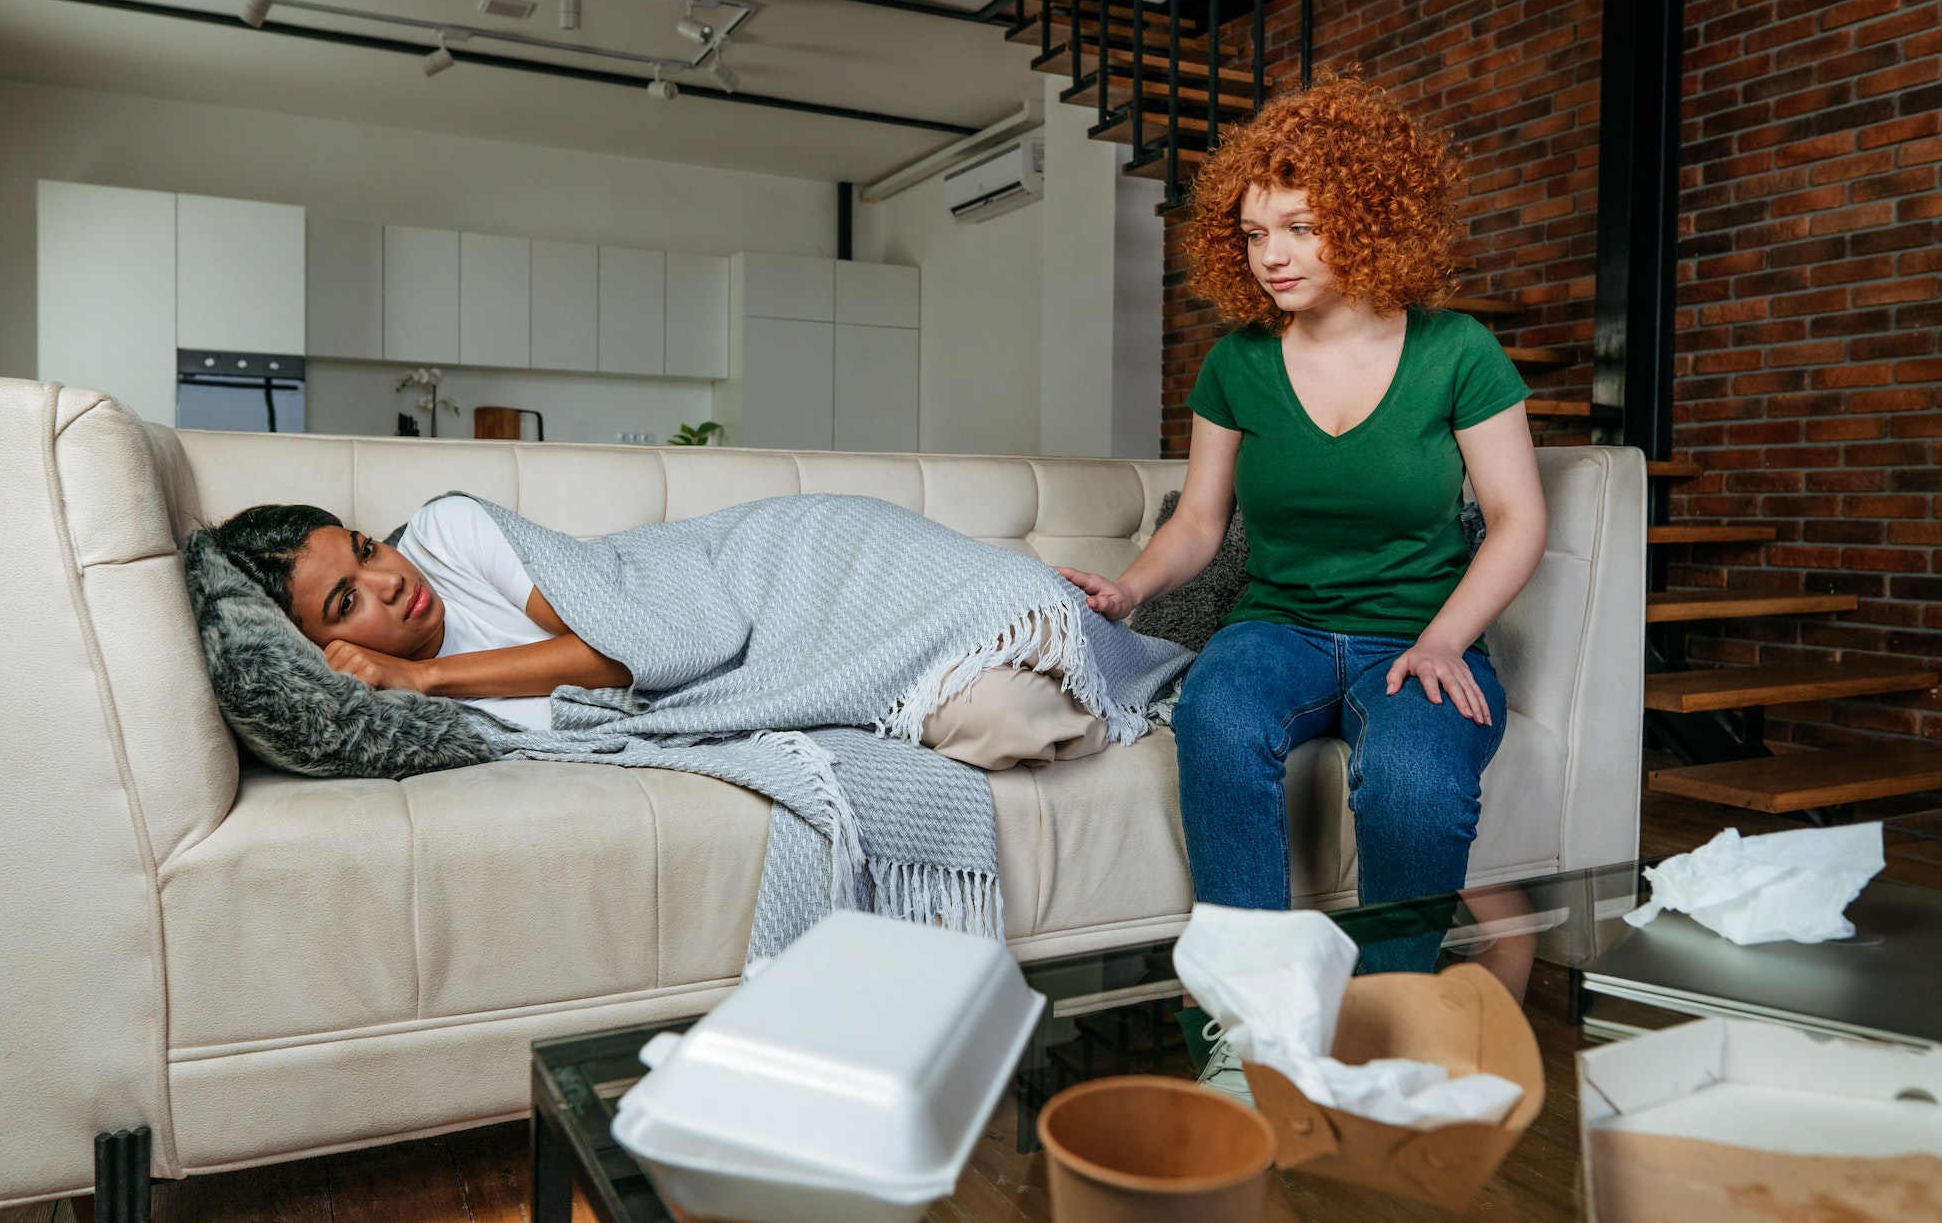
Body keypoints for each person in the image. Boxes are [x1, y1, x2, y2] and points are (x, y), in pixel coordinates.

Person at [1057, 74, 1547, 968]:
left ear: (1365, 221)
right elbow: (1201, 522)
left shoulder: (1458, 351)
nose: (1270, 256)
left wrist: (1443, 642)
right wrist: (1129, 587)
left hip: (1417, 633)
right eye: (1252, 234)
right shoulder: (1237, 364)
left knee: (1413, 782)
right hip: (1275, 627)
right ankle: (1249, 1016)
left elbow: (1518, 519)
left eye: (1299, 227)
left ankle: (1391, 1011)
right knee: (1214, 713)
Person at [210, 494, 1111, 767]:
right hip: (778, 654)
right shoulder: (428, 724)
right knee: (1015, 717)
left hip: (770, 561)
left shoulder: (445, 535)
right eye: (347, 602)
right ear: (331, 650)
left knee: (1020, 612)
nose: (388, 580)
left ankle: (1051, 618)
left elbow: (622, 649)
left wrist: (429, 676)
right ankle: (1058, 644)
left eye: (365, 550)